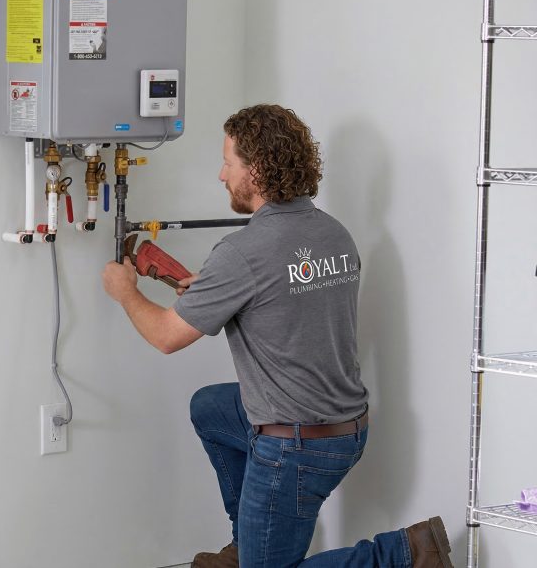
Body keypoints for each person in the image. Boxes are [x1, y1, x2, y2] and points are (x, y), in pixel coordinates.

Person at [101, 104, 454, 568]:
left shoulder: (242, 253)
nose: (221, 174)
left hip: (297, 445)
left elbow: (167, 336)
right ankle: (250, 544)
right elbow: (285, 299)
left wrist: (125, 292)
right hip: (346, 423)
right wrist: (214, 290)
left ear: (259, 169)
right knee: (209, 407)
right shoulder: (334, 234)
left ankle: (406, 554)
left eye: (229, 162)